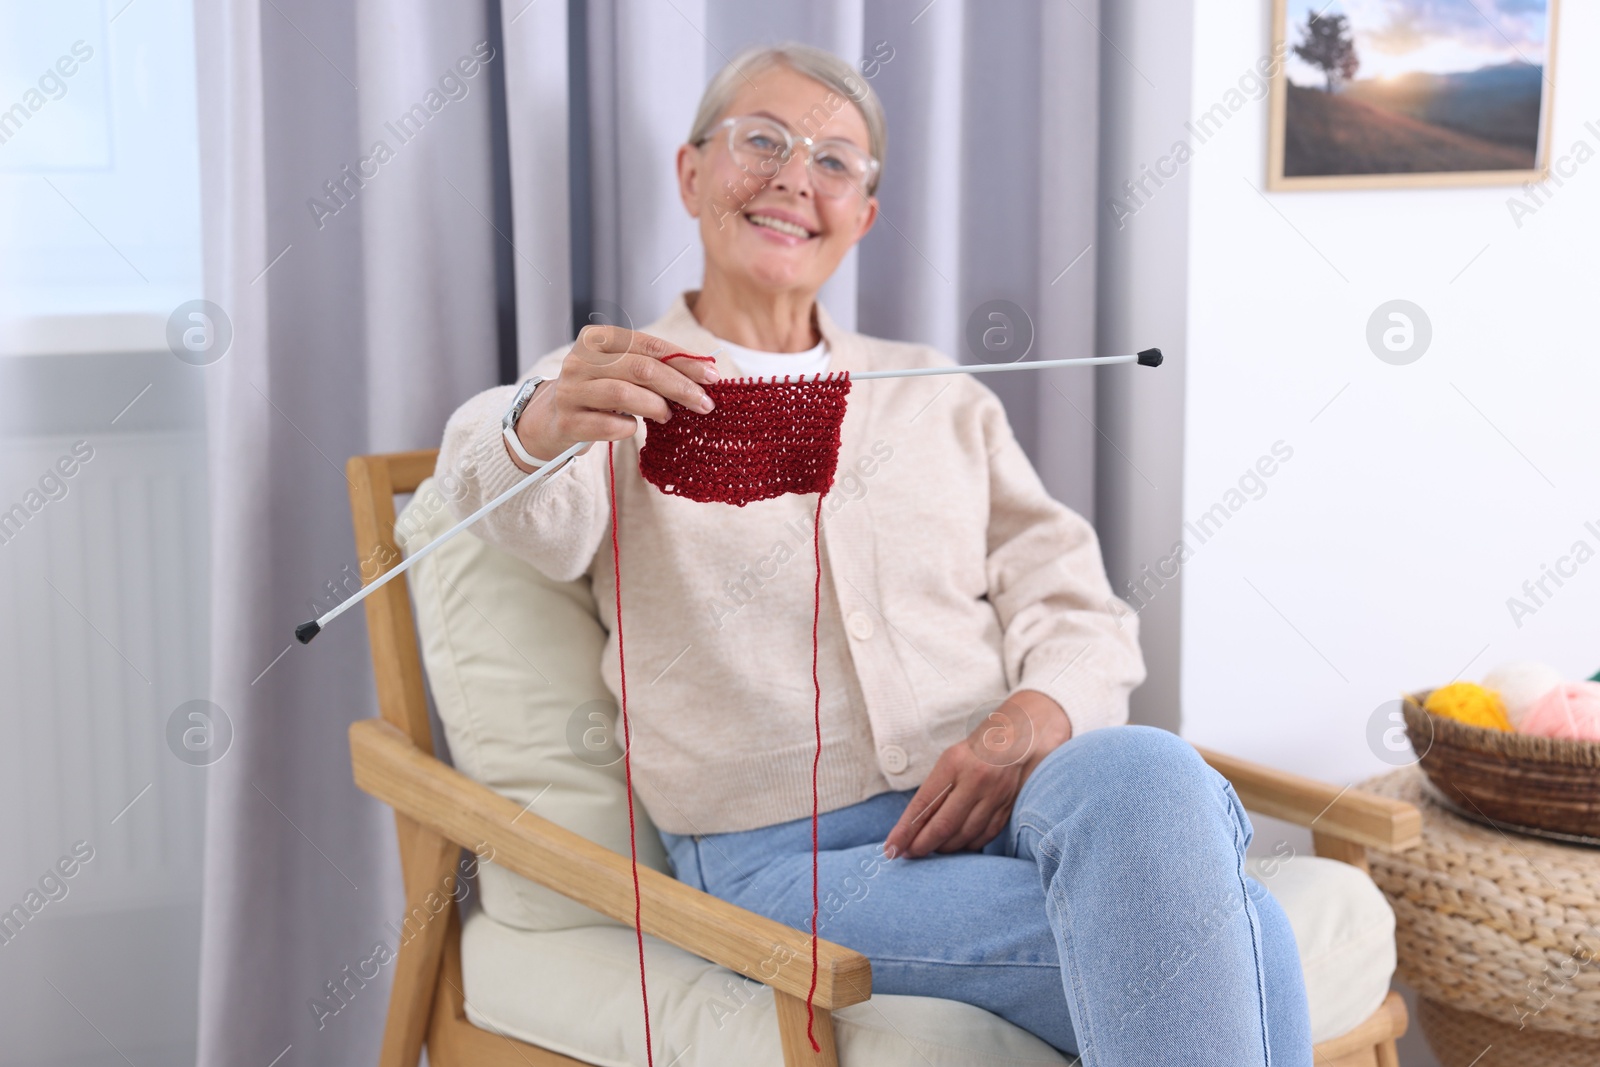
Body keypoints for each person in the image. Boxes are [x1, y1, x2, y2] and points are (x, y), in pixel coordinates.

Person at [436, 41, 1312, 1066]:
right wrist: (532, 424)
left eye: (834, 160)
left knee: (1148, 763)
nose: (793, 177)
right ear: (690, 172)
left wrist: (1034, 716)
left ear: (865, 213)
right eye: (761, 139)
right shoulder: (616, 383)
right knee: (1241, 929)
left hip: (1018, 795)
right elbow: (519, 510)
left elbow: (1075, 604)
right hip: (788, 860)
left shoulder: (934, 390)